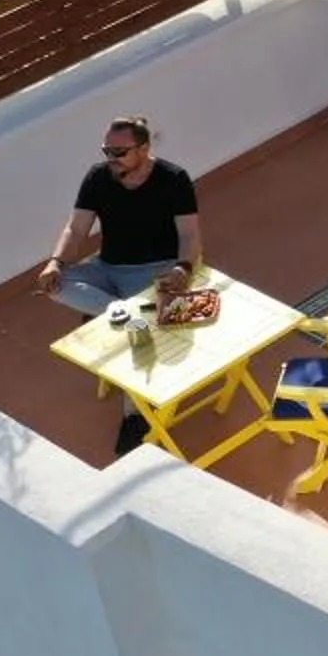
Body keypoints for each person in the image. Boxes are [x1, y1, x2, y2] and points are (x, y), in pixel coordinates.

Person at [39, 115, 206, 456]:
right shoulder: (98, 178)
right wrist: (56, 261)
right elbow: (76, 229)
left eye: (120, 151)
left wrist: (183, 268)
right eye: (107, 150)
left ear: (144, 148)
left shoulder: (174, 179)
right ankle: (121, 313)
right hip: (107, 266)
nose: (111, 158)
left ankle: (134, 415)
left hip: (153, 271)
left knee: (135, 339)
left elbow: (190, 235)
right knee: (56, 286)